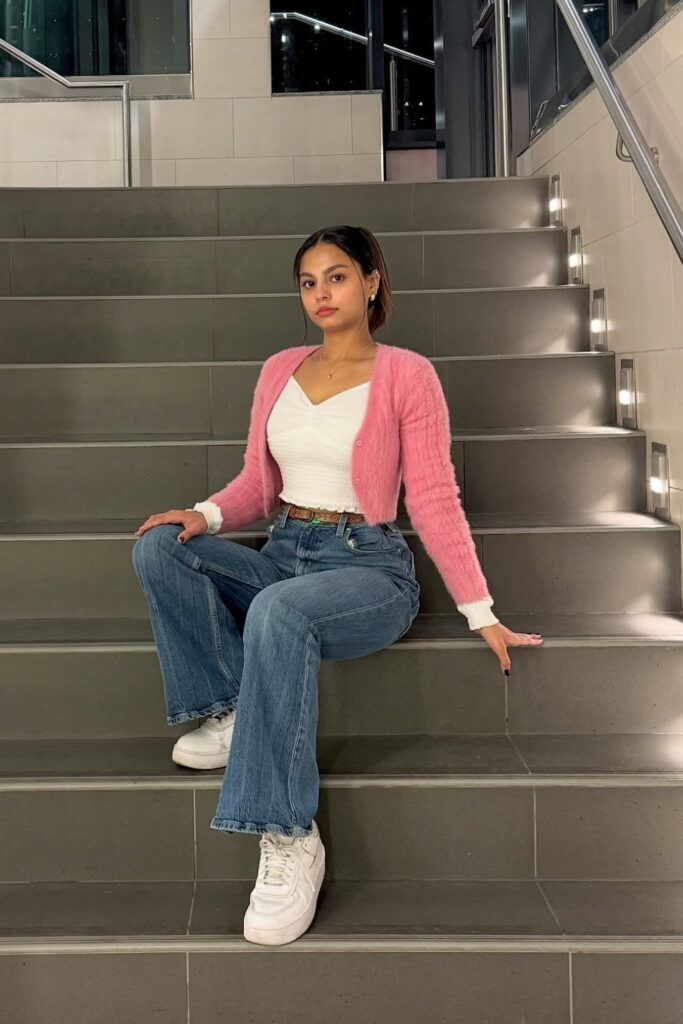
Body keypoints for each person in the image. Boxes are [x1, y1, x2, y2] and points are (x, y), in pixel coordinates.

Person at [131, 224, 543, 948]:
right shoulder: (280, 368)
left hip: (365, 564)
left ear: (372, 282)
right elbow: (259, 484)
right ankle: (228, 711)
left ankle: (288, 833)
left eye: (337, 277)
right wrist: (201, 514)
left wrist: (479, 610)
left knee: (279, 614)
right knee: (160, 549)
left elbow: (436, 496)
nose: (321, 294)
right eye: (307, 282)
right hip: (285, 544)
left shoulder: (406, 374)